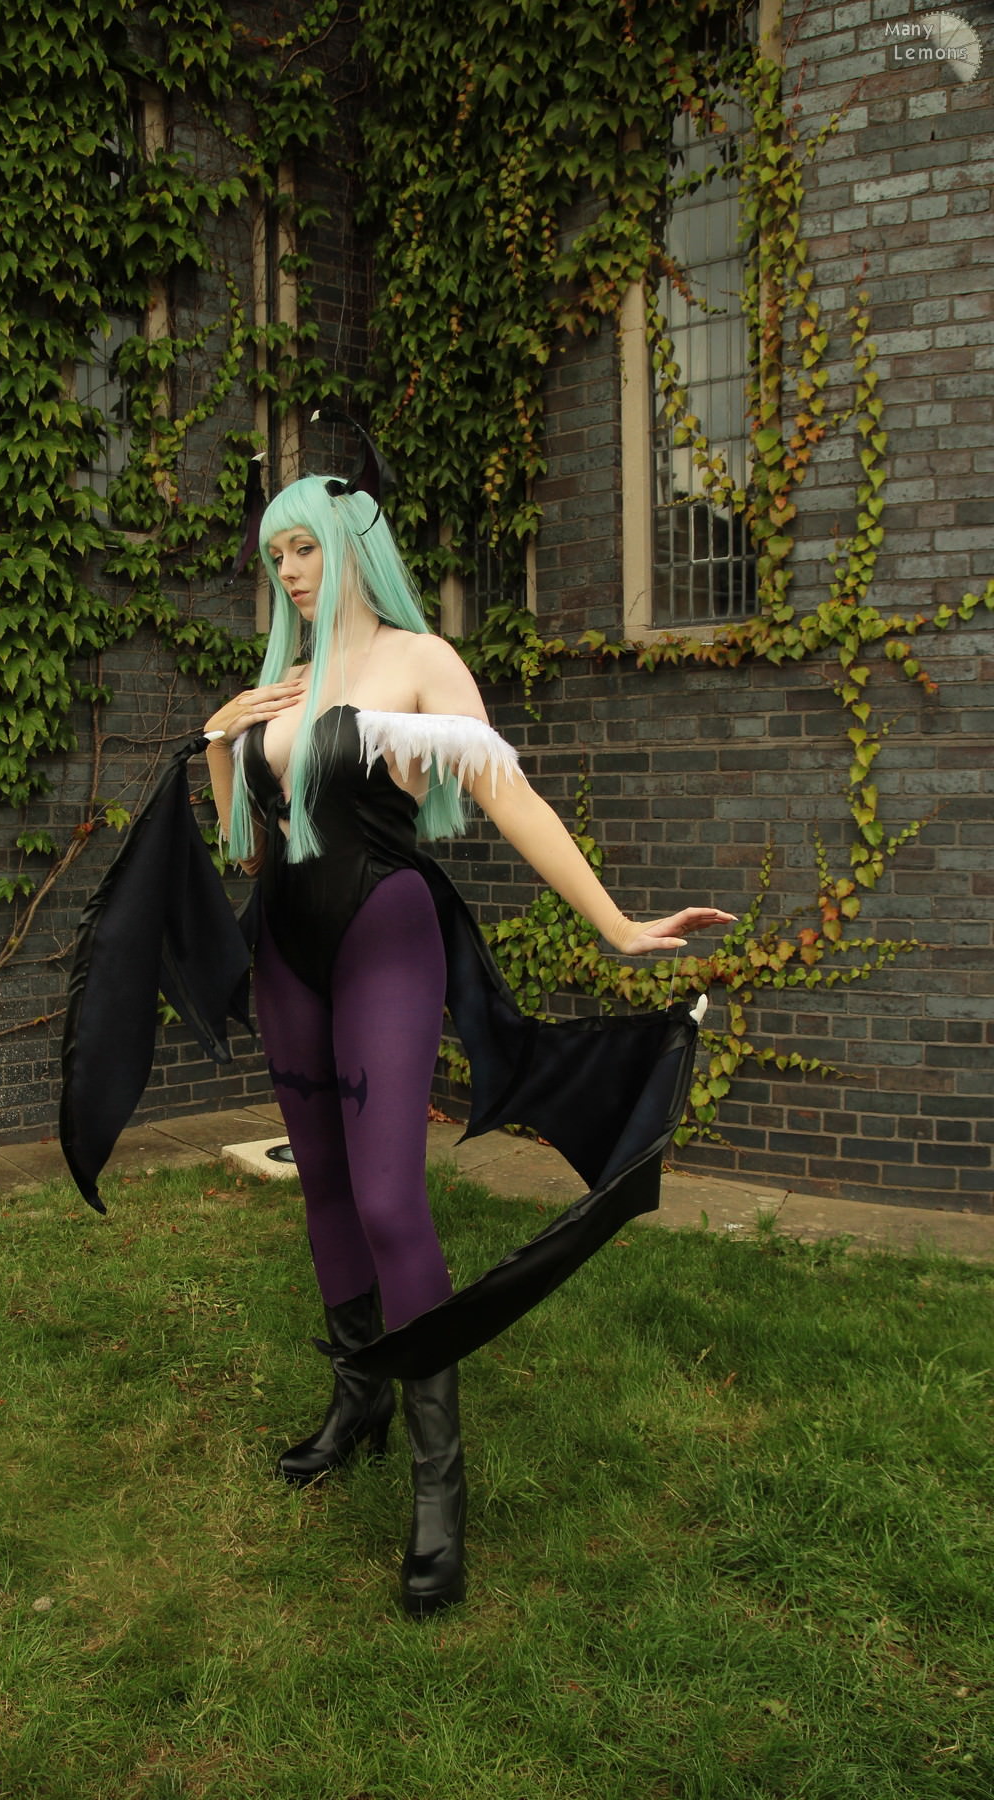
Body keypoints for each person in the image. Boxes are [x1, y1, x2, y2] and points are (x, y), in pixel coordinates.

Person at [198, 473, 734, 1618]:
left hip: (384, 935)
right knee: (324, 1187)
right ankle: (359, 1399)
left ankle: (439, 1485)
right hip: (283, 946)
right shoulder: (285, 678)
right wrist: (221, 741)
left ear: (352, 544)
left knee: (391, 1201)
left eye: (304, 548)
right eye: (275, 554)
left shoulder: (420, 661)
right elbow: (249, 843)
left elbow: (511, 795)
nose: (288, 571)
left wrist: (618, 925)